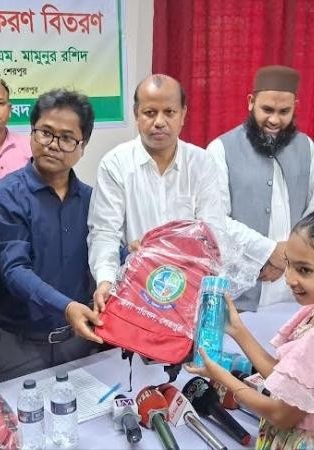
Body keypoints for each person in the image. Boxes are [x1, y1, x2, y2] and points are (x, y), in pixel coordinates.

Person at [186, 207, 314, 449]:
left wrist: (223, 377)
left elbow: (281, 415)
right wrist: (237, 329)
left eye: (304, 270)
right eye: (288, 263)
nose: (289, 278)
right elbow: (286, 380)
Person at [0, 89, 100, 383]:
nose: (53, 145)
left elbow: (107, 256)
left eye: (67, 138)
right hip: (19, 347)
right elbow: (14, 270)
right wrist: (66, 307)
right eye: (45, 133)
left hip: (80, 342)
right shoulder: (5, 196)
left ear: (83, 145)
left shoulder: (92, 200)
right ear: (31, 132)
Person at [88, 74, 225, 314]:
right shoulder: (115, 163)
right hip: (133, 291)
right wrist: (106, 280)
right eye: (150, 113)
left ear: (183, 114)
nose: (159, 122)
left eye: (169, 112)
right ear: (136, 114)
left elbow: (212, 232)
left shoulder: (202, 163)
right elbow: (105, 233)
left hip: (189, 291)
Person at [208, 65, 314, 311]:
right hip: (242, 286)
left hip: (295, 285)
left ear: (295, 106)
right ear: (251, 102)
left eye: (284, 112)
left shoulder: (306, 146)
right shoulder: (220, 149)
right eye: (267, 110)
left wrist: (288, 258)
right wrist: (269, 252)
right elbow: (215, 219)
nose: (274, 120)